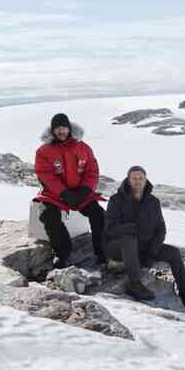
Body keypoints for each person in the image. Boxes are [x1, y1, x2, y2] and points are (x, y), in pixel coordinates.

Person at [104, 166, 185, 318]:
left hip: (143, 248)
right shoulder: (116, 200)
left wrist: (152, 253)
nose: (137, 181)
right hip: (118, 248)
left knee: (173, 253)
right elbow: (110, 229)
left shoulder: (153, 202)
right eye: (134, 178)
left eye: (141, 178)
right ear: (128, 180)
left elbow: (161, 230)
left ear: (146, 180)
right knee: (129, 239)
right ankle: (135, 284)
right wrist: (131, 228)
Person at [34, 113, 106, 268]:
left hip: (81, 193)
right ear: (52, 131)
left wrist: (85, 190)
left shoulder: (84, 147)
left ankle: (103, 253)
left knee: (98, 213)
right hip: (55, 194)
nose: (61, 131)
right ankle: (62, 253)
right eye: (58, 128)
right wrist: (63, 193)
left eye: (64, 128)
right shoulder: (43, 151)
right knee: (48, 215)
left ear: (69, 128)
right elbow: (45, 175)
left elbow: (92, 171)